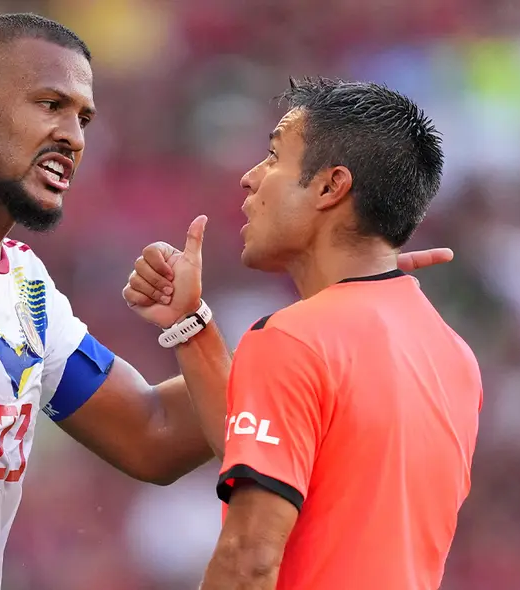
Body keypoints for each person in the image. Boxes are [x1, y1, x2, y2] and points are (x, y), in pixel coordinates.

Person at [0, 12, 454, 589]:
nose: (71, 136)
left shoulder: (26, 288)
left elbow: (154, 434)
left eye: (84, 119)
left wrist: (339, 310)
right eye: (50, 105)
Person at [124, 78, 482, 590]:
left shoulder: (294, 338)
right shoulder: (454, 355)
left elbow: (249, 561)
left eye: (272, 158)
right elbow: (274, 455)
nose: (249, 179)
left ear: (330, 186)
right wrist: (191, 330)